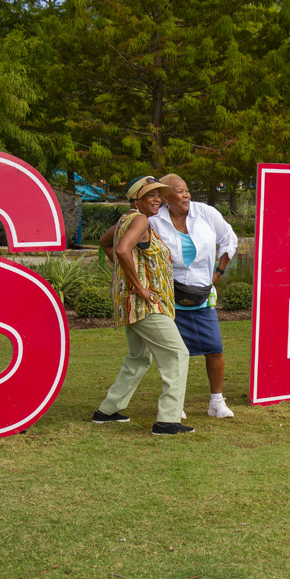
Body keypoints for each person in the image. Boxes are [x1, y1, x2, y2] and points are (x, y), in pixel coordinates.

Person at [92, 176, 194, 436]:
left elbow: (106, 244)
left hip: (130, 304)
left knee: (139, 358)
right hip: (145, 304)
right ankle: (167, 421)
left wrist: (126, 274)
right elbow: (123, 250)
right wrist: (138, 285)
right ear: (136, 199)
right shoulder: (140, 220)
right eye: (151, 195)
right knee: (177, 354)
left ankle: (107, 410)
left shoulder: (123, 220)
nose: (157, 199)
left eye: (159, 195)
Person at [151, 174, 238, 419]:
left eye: (187, 190)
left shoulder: (206, 213)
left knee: (215, 348)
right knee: (174, 354)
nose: (186, 195)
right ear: (166, 198)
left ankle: (216, 402)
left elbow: (229, 240)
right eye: (179, 192)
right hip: (170, 296)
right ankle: (174, 404)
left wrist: (217, 275)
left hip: (202, 295)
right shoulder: (155, 220)